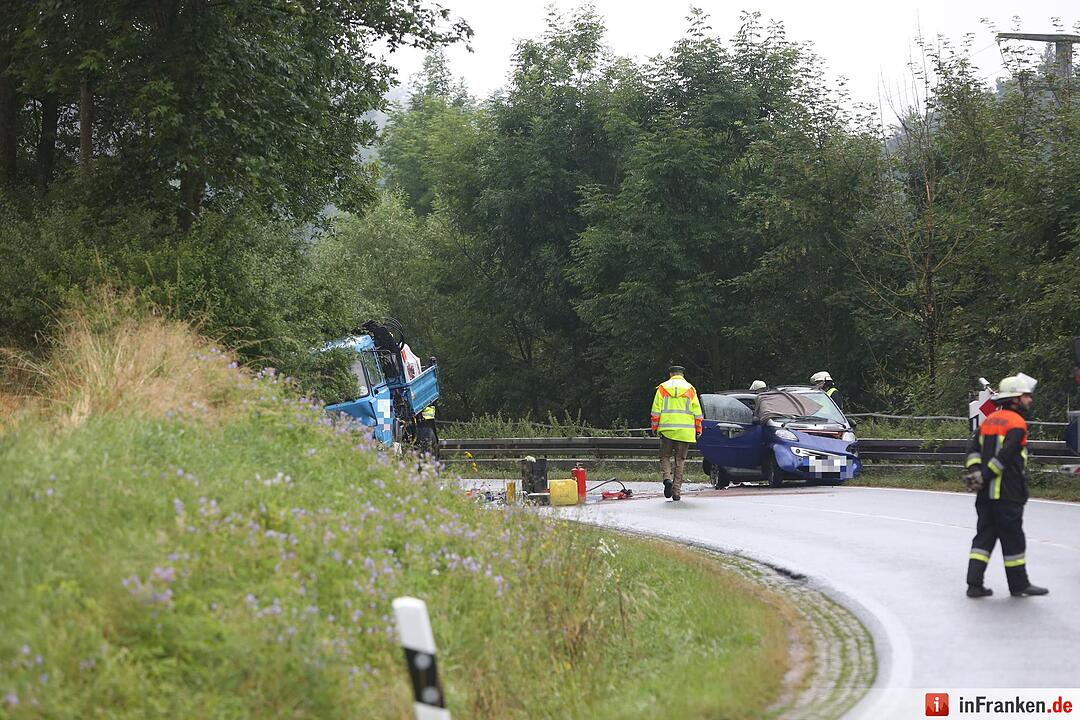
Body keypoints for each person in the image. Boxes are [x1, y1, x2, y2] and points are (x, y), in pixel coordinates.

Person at [962, 373, 1047, 598]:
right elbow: (1006, 456)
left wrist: (976, 473)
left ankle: (974, 585)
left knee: (983, 538)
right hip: (1008, 494)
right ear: (1015, 399)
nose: (1029, 400)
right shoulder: (1017, 423)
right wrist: (988, 475)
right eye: (1026, 396)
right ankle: (1019, 585)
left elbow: (972, 451)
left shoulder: (988, 421)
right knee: (1013, 540)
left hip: (985, 496)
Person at [650, 365, 703, 501]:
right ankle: (676, 491)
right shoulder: (690, 389)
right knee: (680, 460)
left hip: (667, 430)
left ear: (670, 374)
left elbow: (656, 410)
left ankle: (667, 479)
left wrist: (655, 427)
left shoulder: (662, 388)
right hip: (685, 431)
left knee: (665, 456)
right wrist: (698, 429)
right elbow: (697, 413)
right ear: (683, 375)